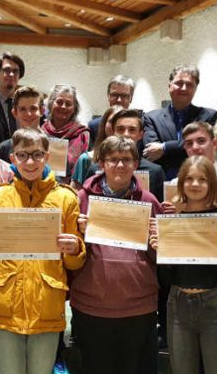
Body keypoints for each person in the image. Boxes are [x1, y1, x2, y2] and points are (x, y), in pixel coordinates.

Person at [0, 128, 85, 374]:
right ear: (12, 158)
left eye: (37, 155)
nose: (30, 162)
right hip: (5, 303)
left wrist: (75, 249)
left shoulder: (66, 198)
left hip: (47, 303)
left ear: (47, 157)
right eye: (22, 155)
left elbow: (74, 264)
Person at [71, 135, 162, 374]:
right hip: (91, 306)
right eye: (112, 159)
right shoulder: (81, 199)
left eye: (126, 159)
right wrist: (78, 234)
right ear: (101, 163)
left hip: (138, 307)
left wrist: (157, 243)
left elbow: (160, 257)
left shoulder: (149, 201)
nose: (120, 165)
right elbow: (69, 254)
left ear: (135, 164)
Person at [150, 155, 217, 374]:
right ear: (181, 183)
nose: (195, 184)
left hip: (215, 305)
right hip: (178, 305)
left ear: (211, 184)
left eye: (202, 179)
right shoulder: (172, 223)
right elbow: (166, 279)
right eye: (189, 179)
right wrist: (161, 253)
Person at [143, 65, 217, 180]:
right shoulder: (151, 118)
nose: (183, 88)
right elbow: (151, 153)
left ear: (195, 89)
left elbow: (205, 149)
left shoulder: (208, 116)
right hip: (162, 182)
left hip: (199, 179)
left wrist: (164, 148)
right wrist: (183, 150)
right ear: (169, 86)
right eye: (179, 83)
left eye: (189, 85)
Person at [42, 84, 90, 182]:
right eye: (59, 102)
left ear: (74, 108)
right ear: (51, 104)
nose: (63, 107)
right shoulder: (41, 131)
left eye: (68, 104)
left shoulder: (82, 134)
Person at [70, 105, 122, 190]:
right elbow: (75, 193)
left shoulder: (133, 162)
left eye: (120, 122)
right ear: (104, 124)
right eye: (112, 121)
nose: (115, 126)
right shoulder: (86, 159)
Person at [0, 85, 44, 162]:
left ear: (42, 111)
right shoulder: (4, 149)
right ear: (14, 113)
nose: (28, 114)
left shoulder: (57, 147)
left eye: (33, 108)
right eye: (22, 109)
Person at [87, 75, 136, 147]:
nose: (119, 100)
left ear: (131, 98)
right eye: (115, 95)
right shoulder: (94, 126)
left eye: (124, 96)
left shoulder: (140, 125)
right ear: (108, 96)